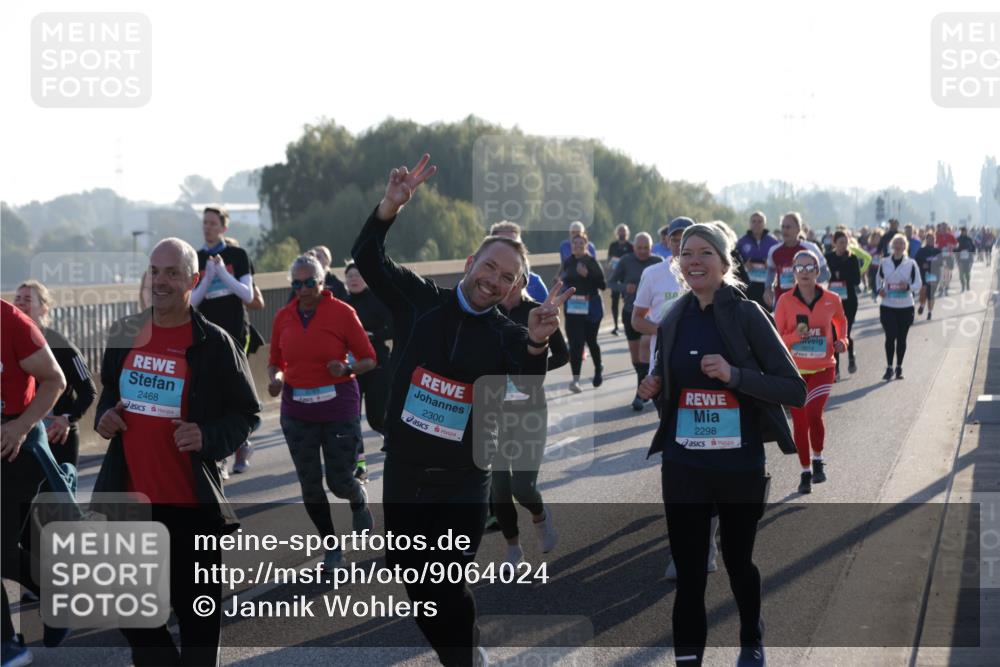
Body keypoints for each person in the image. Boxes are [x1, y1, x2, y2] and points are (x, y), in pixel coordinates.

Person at [351, 154, 568, 666]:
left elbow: (526, 381)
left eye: (507, 276)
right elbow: (367, 258)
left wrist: (538, 342)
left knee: (446, 583)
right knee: (416, 583)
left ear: (514, 289)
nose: (494, 279)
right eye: (489, 266)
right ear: (471, 262)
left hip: (464, 479)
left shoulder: (507, 334)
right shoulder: (420, 301)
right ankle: (469, 653)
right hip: (405, 472)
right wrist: (389, 207)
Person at [637, 222, 806, 667]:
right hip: (684, 465)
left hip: (737, 466)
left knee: (737, 562)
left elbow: (794, 389)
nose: (694, 261)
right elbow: (670, 387)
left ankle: (751, 637)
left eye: (705, 253)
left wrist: (734, 376)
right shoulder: (673, 318)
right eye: (686, 253)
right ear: (678, 264)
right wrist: (654, 388)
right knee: (689, 573)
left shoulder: (747, 315)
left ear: (724, 262)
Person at [93, 238, 261, 666]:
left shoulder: (215, 343)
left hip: (191, 509)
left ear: (193, 279)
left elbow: (246, 412)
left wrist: (208, 435)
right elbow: (109, 391)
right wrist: (104, 417)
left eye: (171, 273)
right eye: (154, 271)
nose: (160, 281)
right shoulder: (125, 332)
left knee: (198, 628)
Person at [268, 254, 377, 569]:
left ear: (322, 282)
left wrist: (346, 368)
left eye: (309, 283)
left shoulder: (342, 312)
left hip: (338, 408)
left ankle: (357, 497)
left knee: (339, 482)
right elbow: (275, 361)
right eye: (296, 284)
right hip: (296, 412)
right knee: (311, 485)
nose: (302, 289)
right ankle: (332, 548)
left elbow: (369, 358)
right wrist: (276, 379)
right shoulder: (283, 317)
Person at [1, 300, 68, 667]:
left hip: (17, 448)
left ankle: (8, 644)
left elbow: (56, 380)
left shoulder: (12, 321)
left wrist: (21, 426)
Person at [493, 265, 568, 566]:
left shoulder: (537, 311)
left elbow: (562, 354)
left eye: (512, 275)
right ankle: (513, 548)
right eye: (501, 274)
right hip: (492, 410)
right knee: (499, 488)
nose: (506, 281)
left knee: (522, 487)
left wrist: (529, 370)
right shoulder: (485, 313)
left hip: (529, 408)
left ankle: (539, 516)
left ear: (523, 278)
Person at [774, 250, 848, 494]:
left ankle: (818, 459)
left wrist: (843, 341)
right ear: (793, 272)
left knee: (813, 413)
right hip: (794, 371)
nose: (804, 272)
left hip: (823, 368)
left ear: (817, 271)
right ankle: (805, 471)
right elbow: (777, 337)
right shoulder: (785, 301)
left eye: (809, 268)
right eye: (799, 267)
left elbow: (841, 321)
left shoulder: (831, 298)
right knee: (800, 422)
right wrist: (796, 336)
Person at [191, 206, 256, 477]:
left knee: (234, 391)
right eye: (205, 222)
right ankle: (223, 455)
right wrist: (207, 277)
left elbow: (248, 295)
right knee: (212, 393)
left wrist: (222, 273)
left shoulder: (237, 255)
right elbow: (192, 302)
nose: (207, 227)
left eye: (212, 223)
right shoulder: (195, 258)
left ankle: (240, 443)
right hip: (207, 336)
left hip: (236, 334)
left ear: (223, 227)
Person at [13, 280, 97, 468]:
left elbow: (88, 391)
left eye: (28, 299)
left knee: (58, 487)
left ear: (44, 309)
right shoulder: (8, 342)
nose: (20, 303)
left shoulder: (62, 346)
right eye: (17, 298)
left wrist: (67, 418)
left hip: (56, 437)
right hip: (21, 437)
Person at [344, 262, 393, 482]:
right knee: (352, 419)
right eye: (350, 276)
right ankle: (360, 466)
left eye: (358, 275)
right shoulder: (342, 304)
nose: (354, 279)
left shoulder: (378, 299)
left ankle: (398, 445)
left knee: (376, 419)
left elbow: (394, 327)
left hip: (377, 365)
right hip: (351, 368)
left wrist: (373, 335)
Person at [633, 218, 690, 397]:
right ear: (667, 242)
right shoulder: (653, 274)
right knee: (667, 412)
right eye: (675, 240)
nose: (680, 245)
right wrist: (663, 331)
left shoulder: (707, 272)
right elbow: (637, 320)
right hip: (663, 363)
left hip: (699, 363)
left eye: (685, 239)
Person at [608, 232, 662, 405]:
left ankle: (641, 394)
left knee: (646, 352)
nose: (643, 251)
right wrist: (625, 287)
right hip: (630, 312)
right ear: (634, 247)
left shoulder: (658, 262)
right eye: (639, 248)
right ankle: (644, 386)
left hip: (650, 315)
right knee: (636, 358)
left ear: (651, 248)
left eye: (646, 248)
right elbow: (611, 283)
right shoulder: (626, 261)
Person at [560, 231, 606, 393]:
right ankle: (575, 380)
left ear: (586, 246)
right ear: (571, 246)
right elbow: (565, 280)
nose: (578, 246)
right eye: (575, 243)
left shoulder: (591, 262)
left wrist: (587, 275)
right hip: (573, 307)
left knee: (591, 340)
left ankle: (598, 368)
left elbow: (603, 285)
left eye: (581, 243)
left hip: (591, 306)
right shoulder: (568, 262)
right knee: (576, 344)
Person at [876, 234, 922, 381]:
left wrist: (907, 286)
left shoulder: (911, 263)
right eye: (896, 243)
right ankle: (889, 367)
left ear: (905, 247)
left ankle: (899, 367)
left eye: (901, 243)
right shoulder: (884, 262)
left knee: (901, 338)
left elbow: (918, 284)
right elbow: (878, 279)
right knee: (890, 336)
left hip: (906, 306)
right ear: (892, 246)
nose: (898, 246)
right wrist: (879, 289)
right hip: (888, 305)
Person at [764, 212, 829, 309]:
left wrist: (805, 281)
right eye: (783, 227)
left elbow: (825, 273)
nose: (785, 230)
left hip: (806, 302)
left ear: (798, 229)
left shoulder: (810, 248)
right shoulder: (774, 251)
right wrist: (768, 288)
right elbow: (771, 271)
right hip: (782, 302)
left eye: (788, 227)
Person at [823, 233, 863, 379]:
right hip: (832, 302)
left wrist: (842, 277)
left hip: (849, 301)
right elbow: (823, 277)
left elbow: (857, 280)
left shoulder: (852, 258)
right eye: (841, 242)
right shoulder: (828, 257)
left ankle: (851, 355)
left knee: (844, 333)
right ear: (834, 243)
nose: (844, 245)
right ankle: (836, 369)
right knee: (834, 334)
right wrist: (833, 278)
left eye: (846, 242)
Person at [490, 221, 548, 302]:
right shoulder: (482, 283)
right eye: (503, 245)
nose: (509, 251)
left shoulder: (535, 284)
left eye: (515, 245)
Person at [736, 211, 779, 309]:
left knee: (767, 312)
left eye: (760, 221)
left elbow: (780, 262)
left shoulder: (773, 242)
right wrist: (744, 265)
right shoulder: (742, 242)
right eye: (754, 221)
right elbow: (735, 262)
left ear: (764, 224)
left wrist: (770, 264)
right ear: (749, 224)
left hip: (767, 286)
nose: (757, 224)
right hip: (748, 285)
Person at [607, 224, 635, 335]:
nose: (622, 233)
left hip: (627, 277)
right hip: (616, 276)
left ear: (627, 233)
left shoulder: (631, 246)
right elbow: (609, 260)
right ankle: (615, 326)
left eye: (623, 231)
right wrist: (610, 265)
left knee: (628, 300)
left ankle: (628, 322)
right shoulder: (613, 245)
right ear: (616, 233)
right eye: (620, 231)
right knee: (614, 301)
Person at [914, 232, 942, 320]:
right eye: (929, 239)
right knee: (923, 291)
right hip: (924, 274)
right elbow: (915, 262)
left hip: (935, 274)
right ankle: (922, 305)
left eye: (932, 239)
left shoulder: (938, 251)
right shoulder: (921, 251)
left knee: (931, 294)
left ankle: (930, 312)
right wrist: (922, 265)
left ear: (934, 240)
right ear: (926, 240)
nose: (931, 241)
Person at [935, 222, 957, 296]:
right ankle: (941, 287)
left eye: (945, 227)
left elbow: (956, 245)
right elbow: (936, 245)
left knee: (947, 272)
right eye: (942, 227)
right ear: (940, 228)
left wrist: (951, 246)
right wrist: (938, 248)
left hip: (949, 256)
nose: (944, 229)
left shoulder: (951, 236)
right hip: (941, 256)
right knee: (941, 272)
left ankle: (946, 286)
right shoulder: (938, 236)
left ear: (947, 228)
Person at [956, 227, 976, 292]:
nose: (964, 232)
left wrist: (972, 252)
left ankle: (968, 283)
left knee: (967, 272)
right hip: (960, 259)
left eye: (965, 231)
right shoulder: (958, 239)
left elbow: (973, 247)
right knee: (961, 273)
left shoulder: (969, 239)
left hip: (968, 258)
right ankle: (963, 285)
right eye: (963, 231)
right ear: (961, 232)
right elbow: (955, 248)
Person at [865, 230, 883, 300]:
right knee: (872, 279)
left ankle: (878, 292)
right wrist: (875, 250)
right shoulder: (869, 247)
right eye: (875, 238)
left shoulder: (883, 246)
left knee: (880, 280)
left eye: (879, 238)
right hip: (872, 266)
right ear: (872, 239)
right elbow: (867, 254)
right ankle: (874, 291)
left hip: (881, 267)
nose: (877, 240)